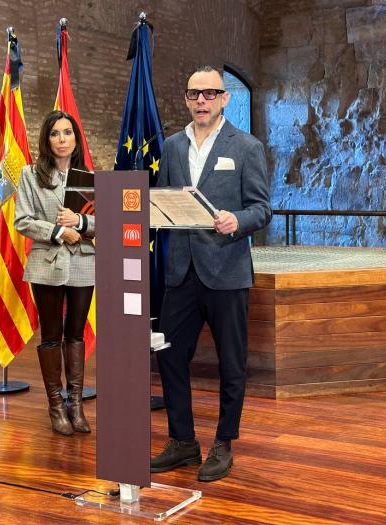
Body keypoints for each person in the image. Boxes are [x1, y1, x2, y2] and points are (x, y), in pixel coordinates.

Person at [151, 66, 272, 481]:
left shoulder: (247, 147)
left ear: (224, 99)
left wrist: (236, 220)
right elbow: (162, 200)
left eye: (210, 93)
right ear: (186, 99)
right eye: (194, 94)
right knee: (167, 355)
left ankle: (224, 443)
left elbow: (261, 208)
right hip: (180, 272)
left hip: (226, 270)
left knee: (231, 364)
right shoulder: (170, 146)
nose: (201, 100)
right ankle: (183, 442)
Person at [14, 110, 95, 436]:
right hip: (47, 263)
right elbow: (23, 220)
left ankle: (75, 402)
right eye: (55, 134)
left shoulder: (87, 176)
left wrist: (81, 223)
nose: (62, 139)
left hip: (83, 262)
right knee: (51, 335)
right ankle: (55, 405)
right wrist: (60, 232)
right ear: (47, 140)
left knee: (75, 333)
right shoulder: (31, 175)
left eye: (68, 133)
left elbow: (101, 221)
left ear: (76, 139)